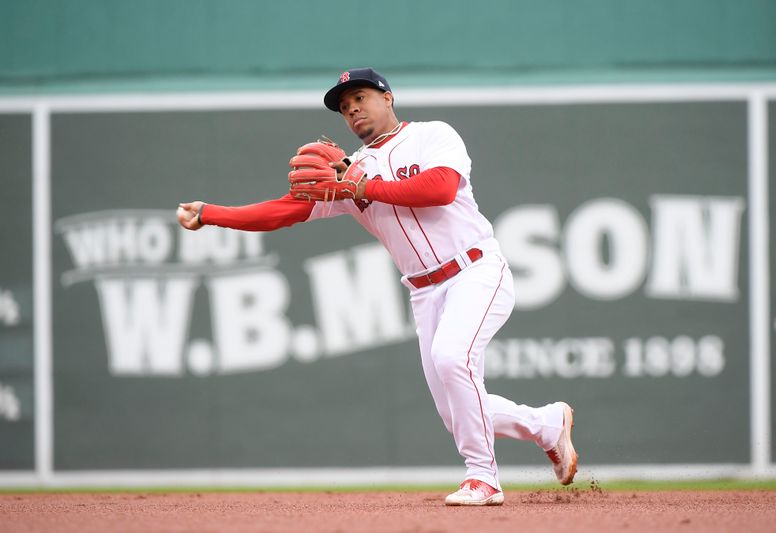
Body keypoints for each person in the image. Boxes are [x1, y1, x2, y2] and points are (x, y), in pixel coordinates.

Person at [177, 67, 578, 506]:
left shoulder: (432, 136)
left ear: (388, 98)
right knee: (454, 409)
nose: (352, 110)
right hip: (425, 291)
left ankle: (482, 478)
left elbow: (440, 189)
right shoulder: (347, 173)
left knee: (451, 359)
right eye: (345, 108)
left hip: (475, 270)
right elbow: (283, 211)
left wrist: (361, 184)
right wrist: (212, 213)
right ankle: (546, 425)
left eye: (360, 98)